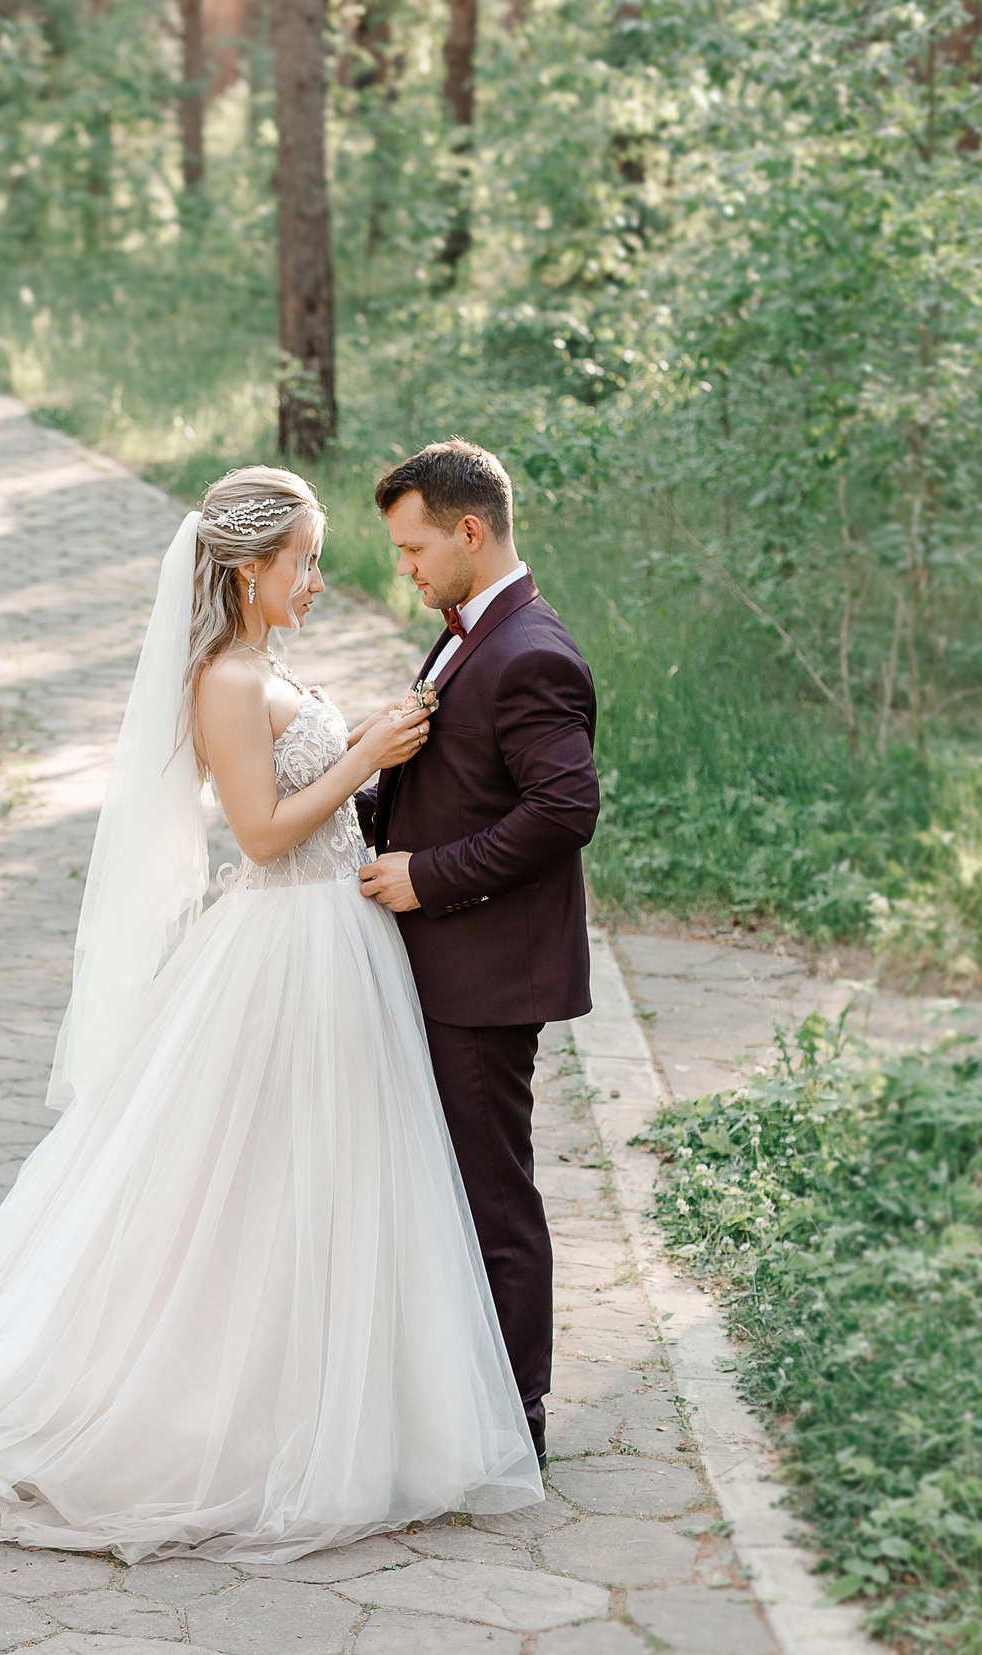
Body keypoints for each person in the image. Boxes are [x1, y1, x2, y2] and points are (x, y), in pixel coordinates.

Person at [0, 465, 542, 1562]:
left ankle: (324, 1391)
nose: (318, 580)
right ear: (251, 569)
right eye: (304, 561)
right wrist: (361, 750)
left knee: (320, 1182)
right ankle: (217, 1409)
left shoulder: (266, 661)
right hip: (282, 943)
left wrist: (368, 767)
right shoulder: (221, 676)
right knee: (248, 1187)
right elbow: (261, 835)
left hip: (336, 945)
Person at [356, 439, 602, 1465]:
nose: (403, 569)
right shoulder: (468, 633)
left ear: (469, 531)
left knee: (491, 1192)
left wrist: (429, 876)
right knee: (447, 1184)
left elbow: (565, 807)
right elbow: (447, 779)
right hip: (441, 959)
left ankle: (516, 1423)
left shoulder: (531, 649)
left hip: (485, 972)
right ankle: (463, 1398)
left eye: (414, 549)